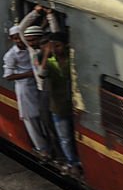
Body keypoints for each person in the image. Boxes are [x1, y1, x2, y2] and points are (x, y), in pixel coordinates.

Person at [3, 13, 52, 158]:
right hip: (25, 88)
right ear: (12, 39)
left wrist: (44, 19)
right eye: (15, 38)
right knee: (31, 119)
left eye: (20, 36)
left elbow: (39, 29)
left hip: (37, 85)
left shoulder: (31, 48)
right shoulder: (11, 55)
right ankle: (42, 148)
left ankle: (47, 145)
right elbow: (8, 76)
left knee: (42, 116)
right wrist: (30, 74)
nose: (19, 40)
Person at [37, 27, 81, 175]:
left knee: (76, 136)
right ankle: (72, 162)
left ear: (66, 45)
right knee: (65, 138)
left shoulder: (71, 60)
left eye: (58, 46)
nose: (55, 49)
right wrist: (46, 55)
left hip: (74, 105)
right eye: (52, 46)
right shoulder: (49, 62)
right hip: (57, 106)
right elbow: (41, 74)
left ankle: (77, 160)